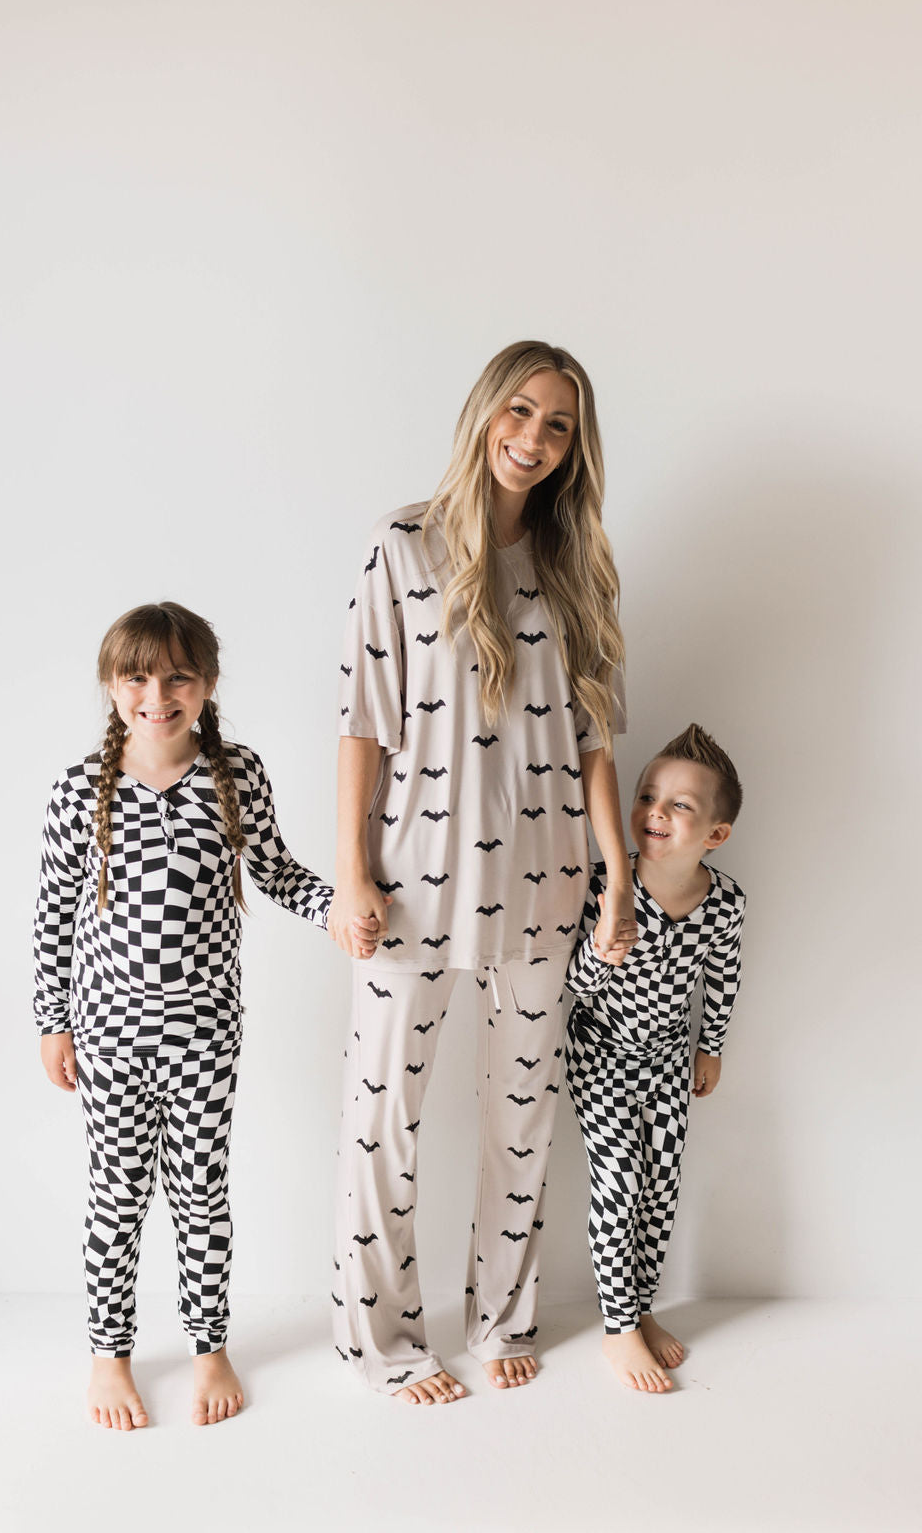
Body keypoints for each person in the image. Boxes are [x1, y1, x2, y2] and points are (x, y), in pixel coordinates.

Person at [328, 339, 636, 1403]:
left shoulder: (578, 563)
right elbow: (362, 724)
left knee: (521, 1117)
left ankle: (505, 1315)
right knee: (383, 1122)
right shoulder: (400, 543)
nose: (533, 439)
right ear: (482, 413)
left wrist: (618, 872)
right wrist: (349, 873)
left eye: (557, 426)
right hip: (412, 877)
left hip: (547, 880)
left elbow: (599, 738)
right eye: (520, 412)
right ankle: (384, 1342)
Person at [34, 602, 375, 1430]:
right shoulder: (83, 788)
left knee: (200, 1193)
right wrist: (54, 1020)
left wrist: (343, 906)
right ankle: (109, 1356)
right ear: (112, 687)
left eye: (178, 675)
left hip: (205, 1033)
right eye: (138, 676)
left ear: (208, 683)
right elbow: (52, 916)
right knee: (116, 1196)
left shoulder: (238, 774)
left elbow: (280, 873)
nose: (158, 693)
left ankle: (209, 1345)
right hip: (110, 1035)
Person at [564, 723, 746, 1393]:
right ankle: (617, 1330)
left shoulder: (724, 904)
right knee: (619, 1182)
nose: (654, 813)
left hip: (669, 1060)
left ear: (714, 834)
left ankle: (639, 1307)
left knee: (660, 1189)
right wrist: (598, 952)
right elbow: (571, 989)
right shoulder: (606, 887)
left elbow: (722, 980)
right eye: (647, 796)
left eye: (679, 805)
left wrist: (711, 1047)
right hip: (603, 1054)